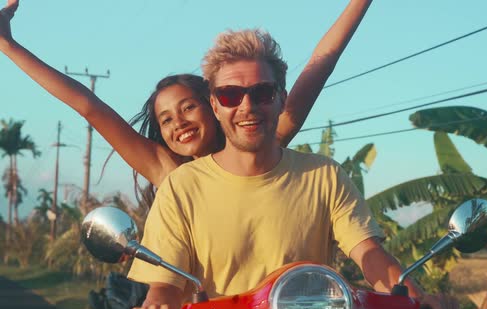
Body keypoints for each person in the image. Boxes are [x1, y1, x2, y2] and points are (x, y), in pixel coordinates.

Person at [127, 28, 459, 309]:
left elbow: (369, 253)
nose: (247, 106)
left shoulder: (324, 175)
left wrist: (414, 297)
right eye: (230, 95)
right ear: (215, 105)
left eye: (262, 93)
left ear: (281, 98)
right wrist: (155, 307)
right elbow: (166, 284)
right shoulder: (182, 187)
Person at [0, 0, 373, 194]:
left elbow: (316, 70)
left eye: (187, 107)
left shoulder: (261, 142)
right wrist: (8, 45)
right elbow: (89, 106)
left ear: (214, 106)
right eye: (165, 119)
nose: (178, 123)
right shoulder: (167, 169)